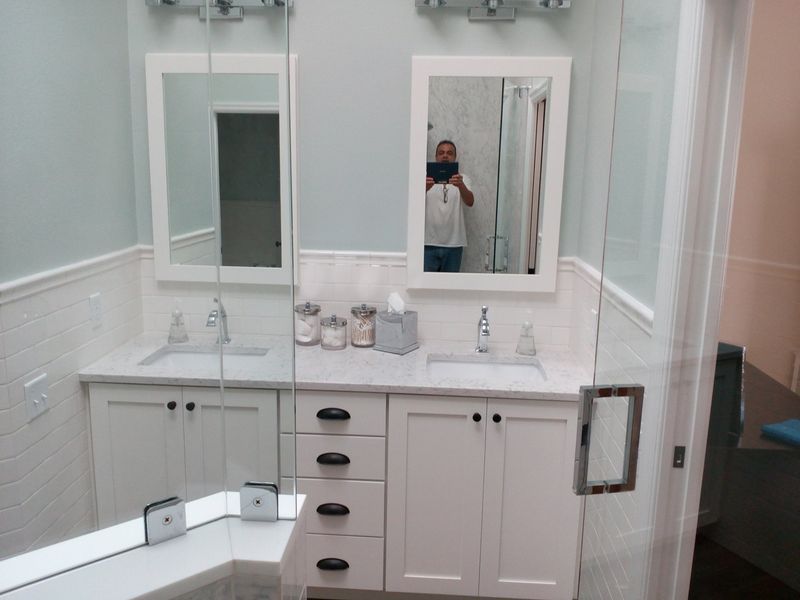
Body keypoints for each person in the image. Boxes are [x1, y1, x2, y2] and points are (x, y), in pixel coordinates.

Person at [424, 140, 475, 272]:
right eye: (441, 153)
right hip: (427, 243)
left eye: (449, 153)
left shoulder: (462, 178)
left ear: (455, 157)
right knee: (427, 289)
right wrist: (424, 188)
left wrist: (460, 185)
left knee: (449, 289)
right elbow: (411, 204)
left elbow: (470, 202)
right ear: (436, 157)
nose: (445, 156)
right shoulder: (425, 178)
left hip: (454, 244)